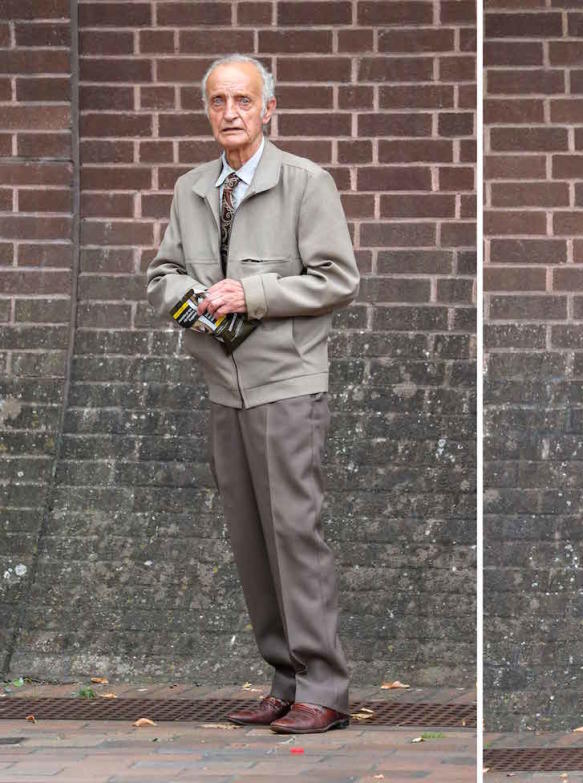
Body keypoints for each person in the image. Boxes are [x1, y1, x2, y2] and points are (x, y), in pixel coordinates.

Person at [146, 54, 359, 734]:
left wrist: (252, 293)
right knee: (250, 538)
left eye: (243, 99)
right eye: (217, 101)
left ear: (268, 108)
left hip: (287, 386)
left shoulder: (306, 182)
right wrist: (192, 303)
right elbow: (164, 275)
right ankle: (286, 677)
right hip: (223, 387)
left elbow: (336, 278)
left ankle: (323, 687)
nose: (229, 112)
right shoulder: (191, 188)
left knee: (295, 533)